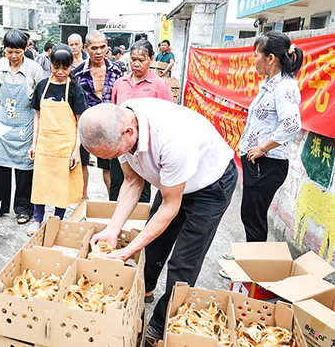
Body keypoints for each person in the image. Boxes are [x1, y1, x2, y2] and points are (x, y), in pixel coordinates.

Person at [79, 99, 237, 345]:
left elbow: (170, 207)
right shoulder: (121, 121)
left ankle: (160, 325)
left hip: (209, 185)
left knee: (183, 262)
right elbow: (132, 182)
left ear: (128, 132)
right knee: (153, 245)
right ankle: (144, 291)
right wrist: (112, 229)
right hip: (172, 182)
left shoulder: (172, 138)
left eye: (115, 154)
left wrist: (128, 250)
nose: (116, 158)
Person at [238, 31, 303, 242]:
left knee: (253, 217)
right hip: (259, 162)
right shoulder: (271, 83)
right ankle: (248, 257)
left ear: (271, 58)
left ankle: (252, 269)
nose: (254, 61)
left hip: (266, 164)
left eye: (257, 55)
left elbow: (292, 124)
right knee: (251, 214)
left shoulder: (284, 87)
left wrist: (263, 148)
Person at [27, 44, 88, 236]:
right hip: (44, 144)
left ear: (71, 66)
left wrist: (76, 150)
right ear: (50, 64)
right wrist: (33, 143)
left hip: (65, 146)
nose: (60, 72)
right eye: (56, 67)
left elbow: (80, 123)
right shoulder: (42, 86)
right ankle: (37, 220)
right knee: (40, 183)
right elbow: (37, 116)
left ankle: (57, 221)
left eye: (65, 67)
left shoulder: (75, 89)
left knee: (62, 186)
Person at [109, 39, 174, 203]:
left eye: (141, 60)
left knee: (142, 186)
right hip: (121, 144)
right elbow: (115, 111)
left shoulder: (159, 85)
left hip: (146, 146)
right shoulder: (120, 83)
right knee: (117, 182)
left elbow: (168, 117)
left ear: (151, 59)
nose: (136, 64)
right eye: (133, 59)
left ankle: (138, 224)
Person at [0, 29, 43, 224]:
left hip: (25, 126)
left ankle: (23, 208)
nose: (13, 57)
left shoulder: (35, 69)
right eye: (9, 52)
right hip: (3, 124)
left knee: (25, 170)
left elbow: (39, 100)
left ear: (25, 49)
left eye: (18, 52)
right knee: (0, 168)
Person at [73, 30, 122, 199]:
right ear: (86, 48)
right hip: (85, 125)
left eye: (102, 47)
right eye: (94, 48)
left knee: (109, 168)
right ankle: (83, 199)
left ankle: (111, 202)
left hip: (110, 126)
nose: (99, 52)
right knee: (82, 164)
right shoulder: (78, 73)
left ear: (107, 46)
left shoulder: (116, 70)